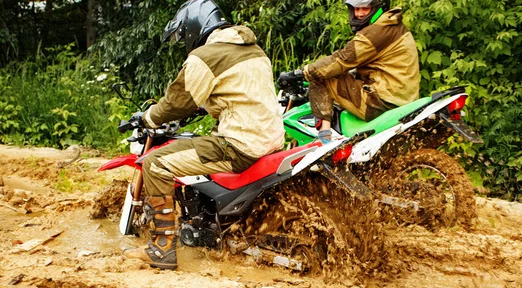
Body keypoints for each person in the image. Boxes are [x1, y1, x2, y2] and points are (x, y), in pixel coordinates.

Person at [123, 0, 285, 270]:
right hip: (270, 141)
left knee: (155, 163)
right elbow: (237, 91)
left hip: (240, 145)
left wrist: (148, 117)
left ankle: (161, 249)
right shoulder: (252, 48)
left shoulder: (206, 56)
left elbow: (177, 102)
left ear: (192, 29)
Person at [281, 0, 420, 143]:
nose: (359, 14)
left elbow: (342, 59)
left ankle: (324, 141)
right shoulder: (393, 26)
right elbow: (377, 68)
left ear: (378, 7)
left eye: (364, 9)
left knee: (320, 76)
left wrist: (302, 73)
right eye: (356, 9)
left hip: (381, 101)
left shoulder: (378, 31)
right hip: (402, 98)